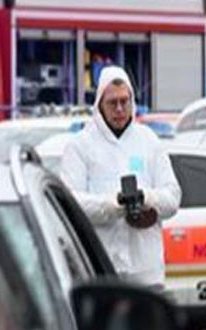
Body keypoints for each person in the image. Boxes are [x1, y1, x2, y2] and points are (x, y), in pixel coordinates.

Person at [60, 66, 182, 288]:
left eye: (124, 101)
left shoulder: (149, 141)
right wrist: (113, 205)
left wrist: (146, 198)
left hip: (146, 275)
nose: (119, 109)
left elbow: (173, 197)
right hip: (99, 271)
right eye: (112, 102)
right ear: (99, 104)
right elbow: (70, 203)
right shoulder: (80, 146)